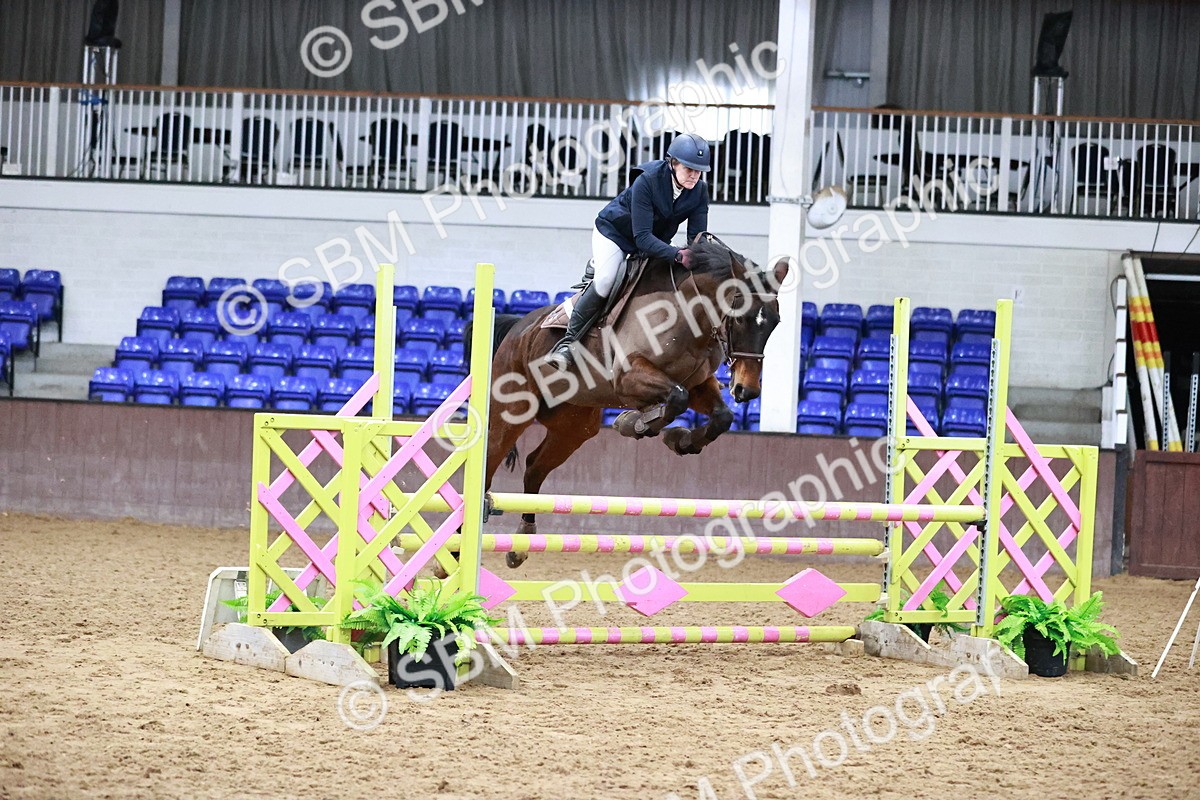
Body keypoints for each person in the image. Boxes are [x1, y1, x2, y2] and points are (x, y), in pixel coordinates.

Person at [546, 132, 712, 371]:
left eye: (698, 171)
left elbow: (697, 239)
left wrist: (699, 257)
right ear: (673, 163)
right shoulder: (648, 181)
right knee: (605, 281)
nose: (694, 176)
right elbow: (642, 238)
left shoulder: (699, 192)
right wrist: (677, 255)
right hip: (616, 235)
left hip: (654, 241)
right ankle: (567, 344)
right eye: (689, 169)